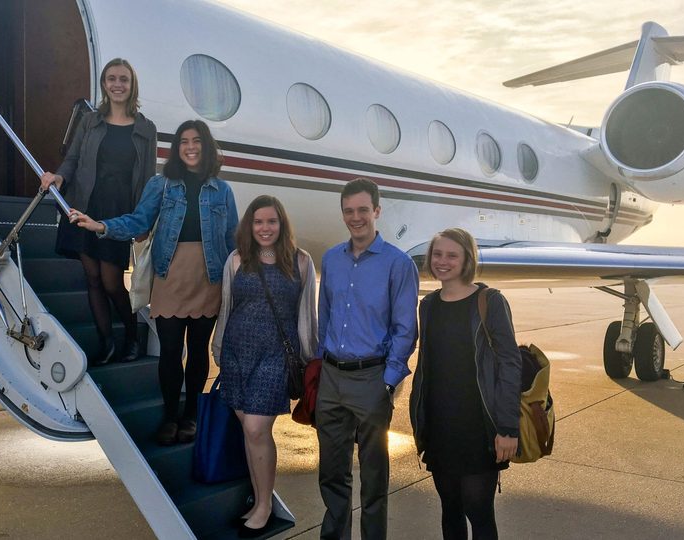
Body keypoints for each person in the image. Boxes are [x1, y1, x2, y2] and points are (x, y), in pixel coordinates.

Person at [71, 119, 238, 445]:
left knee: (199, 352)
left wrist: (242, 281)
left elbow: (233, 239)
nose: (190, 147)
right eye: (184, 141)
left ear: (206, 146)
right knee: (171, 351)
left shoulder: (223, 190)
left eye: (196, 141)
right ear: (177, 148)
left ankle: (191, 414)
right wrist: (100, 226)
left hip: (208, 276)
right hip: (170, 274)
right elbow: (139, 220)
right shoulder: (161, 185)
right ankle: (170, 416)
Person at [316, 178, 419, 540]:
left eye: (362, 210)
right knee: (331, 472)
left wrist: (387, 381)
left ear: (377, 211)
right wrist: (319, 364)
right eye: (348, 211)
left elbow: (406, 329)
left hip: (371, 379)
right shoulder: (331, 259)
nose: (355, 218)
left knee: (374, 477)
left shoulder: (398, 264)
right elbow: (323, 316)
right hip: (331, 379)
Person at [211, 195, 318, 537]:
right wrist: (218, 348)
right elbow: (227, 307)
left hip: (276, 356)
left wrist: (310, 357)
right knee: (250, 430)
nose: (265, 228)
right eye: (258, 222)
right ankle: (259, 497)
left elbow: (308, 314)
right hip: (238, 353)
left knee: (257, 429)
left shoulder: (301, 262)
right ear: (250, 226)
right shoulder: (237, 259)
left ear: (281, 224)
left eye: (271, 221)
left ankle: (264, 505)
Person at [39, 58, 157, 365]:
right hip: (85, 203)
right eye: (111, 79)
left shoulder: (146, 129)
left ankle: (131, 335)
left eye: (124, 79)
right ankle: (107, 344)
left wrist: (144, 219)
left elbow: (146, 178)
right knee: (92, 277)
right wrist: (60, 177)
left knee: (111, 281)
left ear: (132, 86)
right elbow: (74, 158)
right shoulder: (90, 121)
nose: (117, 84)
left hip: (118, 211)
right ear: (104, 84)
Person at [409, 228, 522, 540]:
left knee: (479, 511)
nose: (442, 261)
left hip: (479, 426)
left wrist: (508, 428)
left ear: (466, 260)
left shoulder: (490, 302)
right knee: (450, 509)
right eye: (437, 254)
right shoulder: (428, 306)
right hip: (440, 426)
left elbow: (510, 365)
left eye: (451, 255)